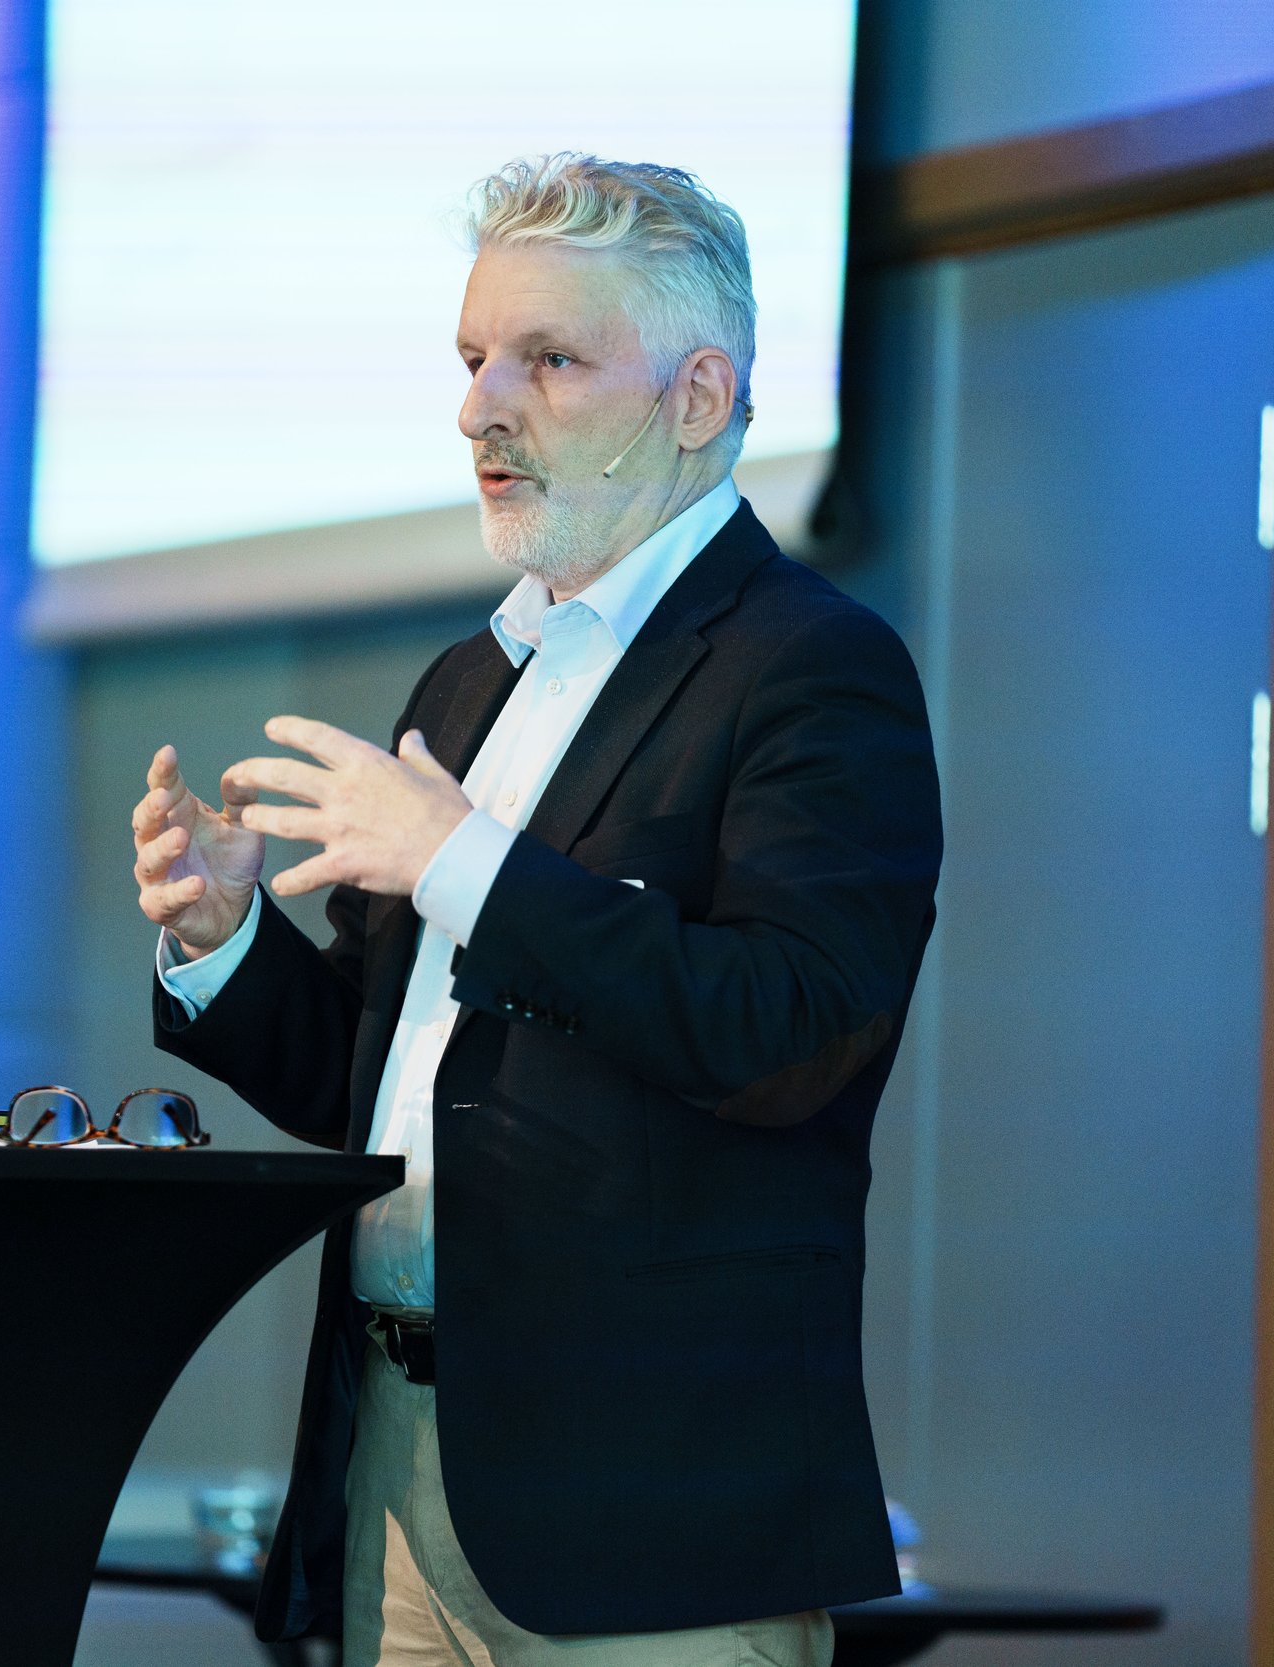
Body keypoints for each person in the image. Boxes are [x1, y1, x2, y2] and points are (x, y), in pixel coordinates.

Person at [129, 153, 941, 1666]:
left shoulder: (812, 669)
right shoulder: (469, 682)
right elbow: (386, 1084)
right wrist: (225, 940)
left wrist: (467, 865)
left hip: (651, 1513)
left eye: (548, 361)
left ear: (698, 400)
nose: (480, 410)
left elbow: (790, 1033)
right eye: (473, 360)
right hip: (395, 1461)